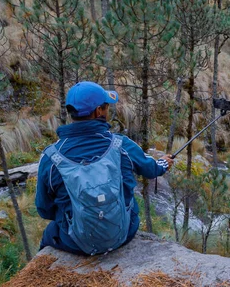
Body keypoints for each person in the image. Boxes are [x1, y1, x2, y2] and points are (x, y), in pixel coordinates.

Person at [35, 81, 174, 255]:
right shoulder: (121, 145)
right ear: (98, 111)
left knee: (49, 234)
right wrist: (162, 163)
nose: (108, 109)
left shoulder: (50, 157)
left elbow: (44, 209)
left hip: (75, 243)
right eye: (106, 106)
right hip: (123, 233)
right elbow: (151, 169)